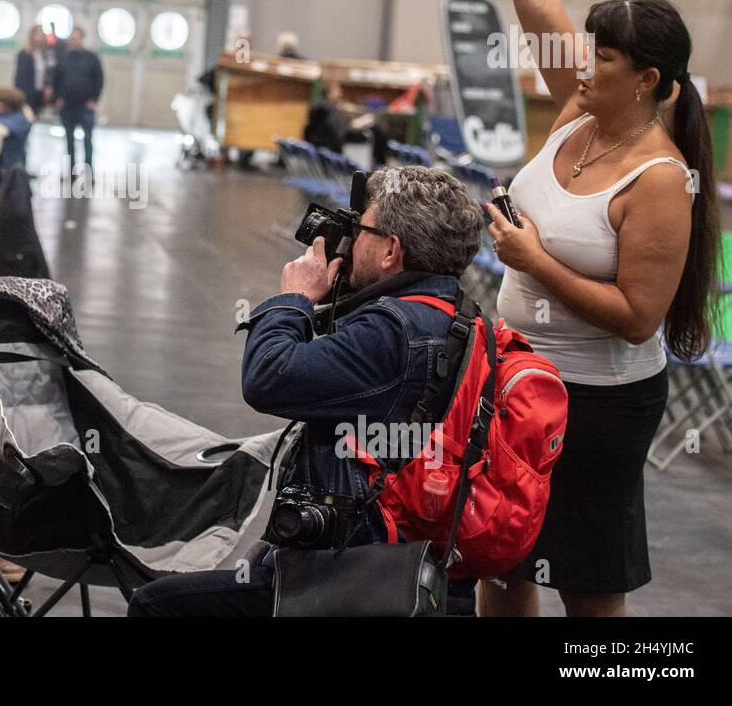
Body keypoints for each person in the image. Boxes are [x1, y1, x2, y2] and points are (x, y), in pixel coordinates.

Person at [462, 0, 721, 617]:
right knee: (501, 561)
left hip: (596, 407)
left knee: (585, 580)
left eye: (603, 53)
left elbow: (640, 318)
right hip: (517, 380)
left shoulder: (660, 180)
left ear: (645, 79)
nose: (585, 59)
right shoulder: (578, 110)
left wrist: (534, 262)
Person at [128, 166, 484, 616]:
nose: (350, 242)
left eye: (362, 230)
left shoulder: (392, 331)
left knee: (156, 606)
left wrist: (294, 298)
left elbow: (268, 377)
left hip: (354, 575)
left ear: (392, 249)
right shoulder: (465, 319)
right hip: (426, 567)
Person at [51, 27, 103, 174]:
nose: (74, 41)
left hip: (85, 106)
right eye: (72, 39)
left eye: (77, 38)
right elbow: (56, 80)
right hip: (67, 106)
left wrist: (94, 100)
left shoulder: (92, 58)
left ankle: (88, 169)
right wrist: (58, 98)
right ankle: (71, 170)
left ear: (82, 39)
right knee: (69, 140)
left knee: (87, 139)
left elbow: (99, 80)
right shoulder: (63, 58)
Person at [14, 25, 51, 114]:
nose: (39, 37)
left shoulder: (44, 54)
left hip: (39, 93)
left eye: (41, 34)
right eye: (37, 34)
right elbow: (20, 77)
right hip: (27, 93)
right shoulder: (24, 54)